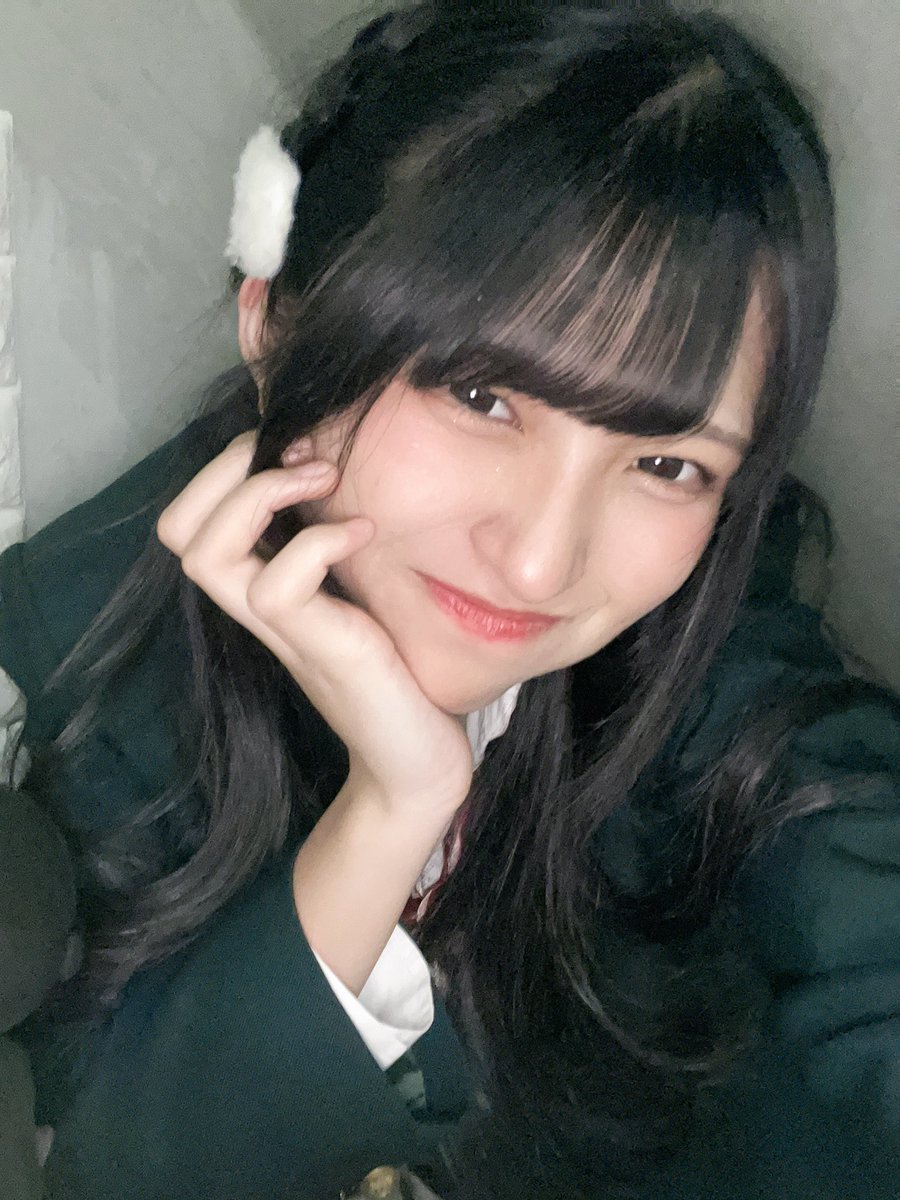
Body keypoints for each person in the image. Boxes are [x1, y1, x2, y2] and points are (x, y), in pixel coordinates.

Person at [1, 3, 897, 1198]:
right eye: (482, 397)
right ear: (275, 323)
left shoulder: (705, 610)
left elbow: (842, 847)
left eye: (666, 461)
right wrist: (393, 810)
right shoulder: (82, 656)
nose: (540, 563)